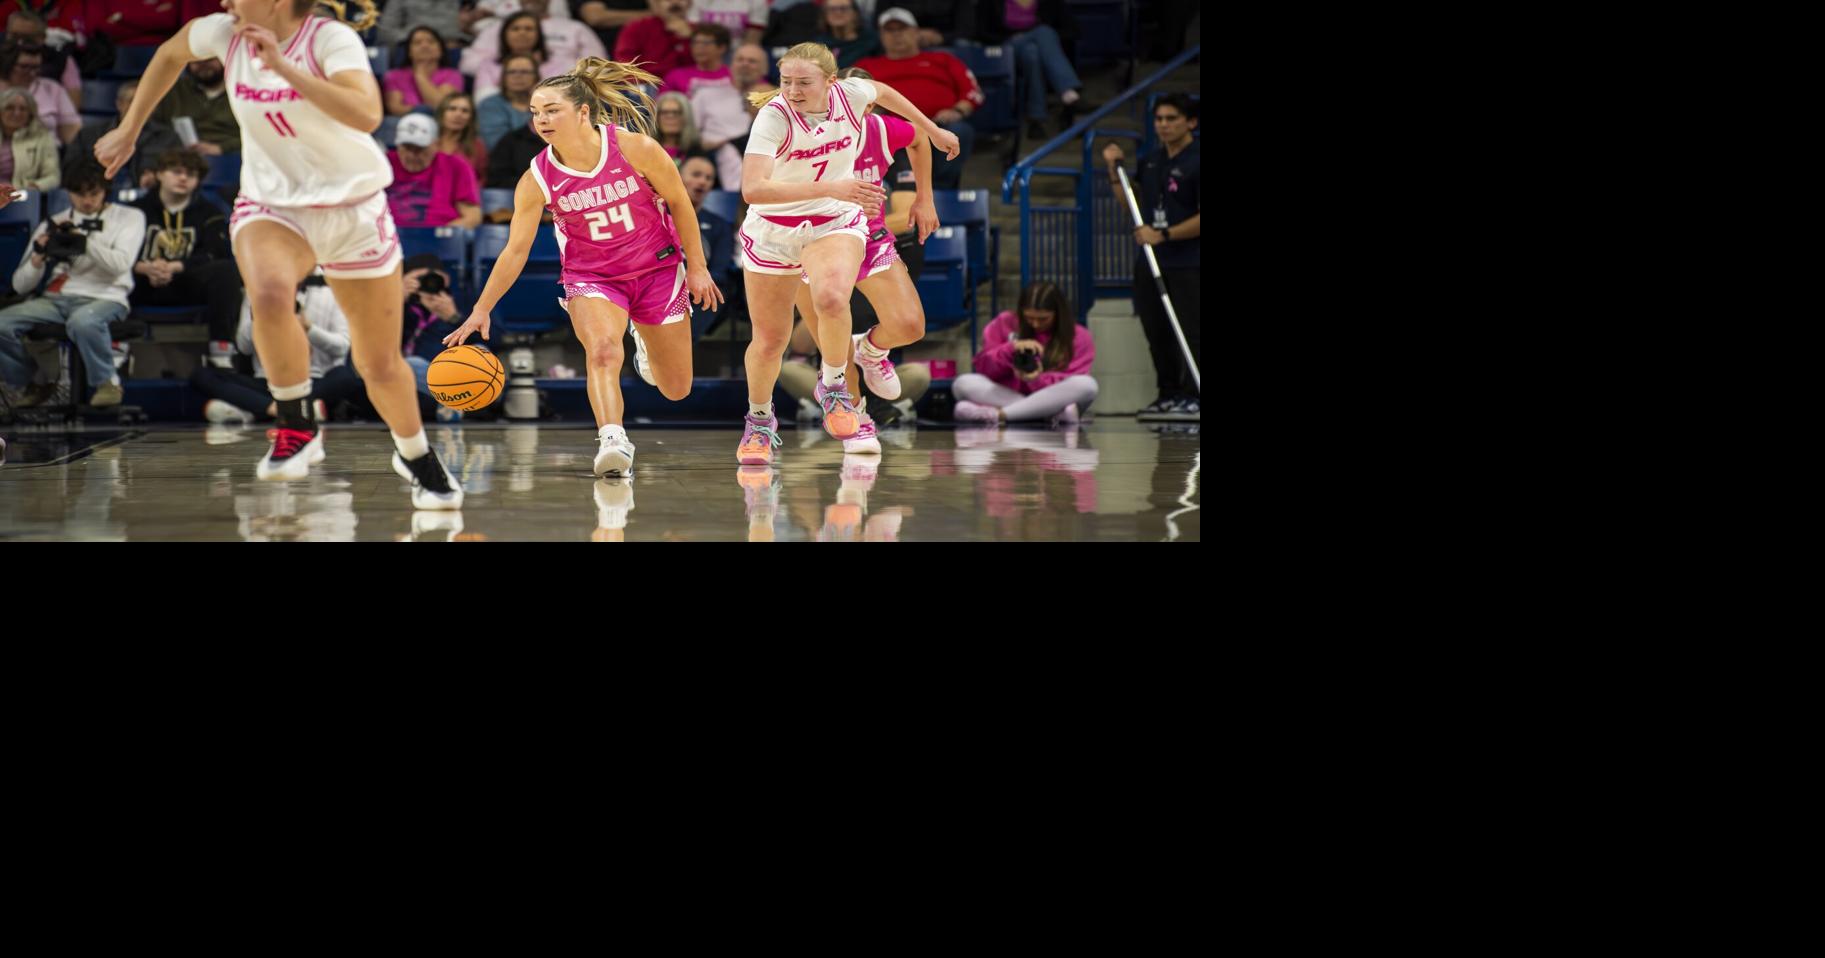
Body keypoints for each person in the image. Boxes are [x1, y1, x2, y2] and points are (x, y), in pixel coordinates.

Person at [97, 0, 463, 508]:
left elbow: (367, 114)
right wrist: (130, 129)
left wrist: (284, 66)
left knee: (378, 364)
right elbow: (168, 53)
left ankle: (416, 454)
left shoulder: (329, 40)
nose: (225, 2)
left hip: (350, 209)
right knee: (268, 293)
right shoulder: (225, 32)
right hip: (272, 204)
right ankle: (295, 423)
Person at [442, 57, 723, 478]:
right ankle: (613, 439)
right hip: (592, 277)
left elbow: (680, 202)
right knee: (603, 351)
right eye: (536, 112)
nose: (542, 119)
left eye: (552, 110)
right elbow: (515, 252)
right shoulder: (537, 177)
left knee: (676, 388)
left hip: (657, 269)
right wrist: (481, 308)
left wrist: (697, 267)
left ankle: (643, 337)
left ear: (583, 112)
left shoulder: (634, 147)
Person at [732, 41, 956, 464]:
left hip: (835, 221)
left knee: (834, 297)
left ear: (832, 83)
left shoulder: (853, 96)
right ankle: (760, 421)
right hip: (775, 231)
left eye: (803, 83)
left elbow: (885, 92)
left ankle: (835, 388)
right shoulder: (773, 117)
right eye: (786, 82)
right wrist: (834, 186)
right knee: (769, 341)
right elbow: (752, 190)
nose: (793, 91)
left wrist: (934, 128)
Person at [1102, 93, 1200, 420]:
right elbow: (1132, 206)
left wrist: (1166, 234)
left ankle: (1193, 394)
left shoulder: (1196, 159)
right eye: (1159, 119)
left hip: (1188, 259)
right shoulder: (1151, 160)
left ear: (1191, 122)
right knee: (1156, 330)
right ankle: (1168, 392)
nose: (1164, 125)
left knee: (1190, 328)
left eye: (1172, 118)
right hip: (1153, 259)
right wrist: (1114, 171)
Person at [952, 280, 1097, 426]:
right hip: (1009, 392)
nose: (1035, 324)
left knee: (1087, 385)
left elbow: (1071, 377)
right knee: (963, 383)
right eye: (1029, 318)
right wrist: (1011, 349)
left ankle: (1000, 415)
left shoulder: (1078, 335)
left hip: (1051, 394)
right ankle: (1048, 414)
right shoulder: (1004, 322)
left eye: (1043, 319)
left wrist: (1036, 379)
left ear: (1058, 314)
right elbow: (984, 367)